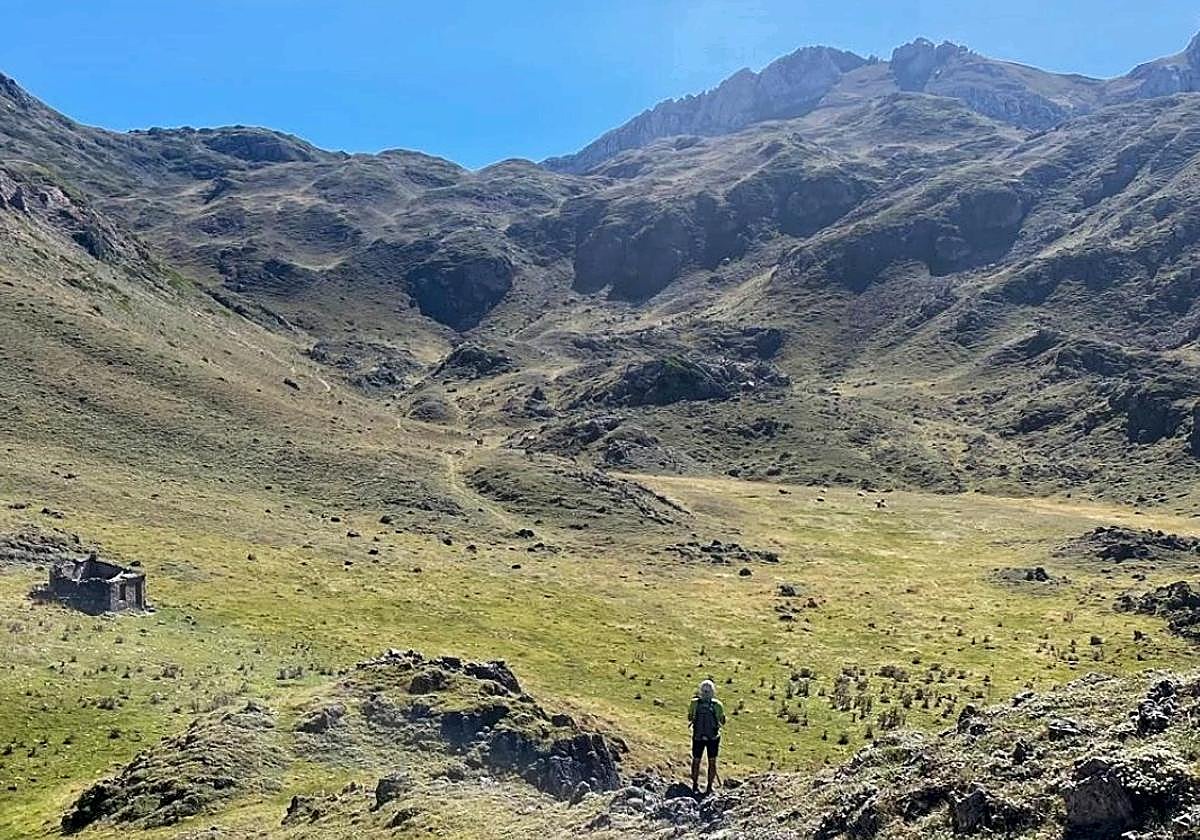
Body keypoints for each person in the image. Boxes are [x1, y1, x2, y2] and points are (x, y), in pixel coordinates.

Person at [688, 678, 726, 796]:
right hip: (713, 738)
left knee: (696, 760)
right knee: (712, 761)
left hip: (698, 736)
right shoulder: (717, 705)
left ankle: (694, 785)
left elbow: (690, 717)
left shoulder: (695, 703)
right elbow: (722, 721)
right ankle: (709, 787)